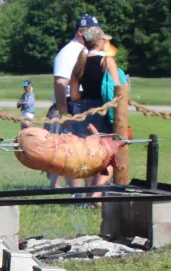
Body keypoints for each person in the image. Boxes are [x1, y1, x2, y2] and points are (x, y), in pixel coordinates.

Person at [47, 14, 98, 188]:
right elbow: (60, 84)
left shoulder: (85, 51)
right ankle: (76, 195)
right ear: (81, 31)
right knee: (74, 151)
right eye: (93, 30)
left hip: (81, 105)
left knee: (83, 150)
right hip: (70, 105)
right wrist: (64, 114)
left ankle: (82, 191)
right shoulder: (69, 52)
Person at [68, 26, 121, 189]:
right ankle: (97, 194)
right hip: (104, 111)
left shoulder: (79, 64)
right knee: (109, 154)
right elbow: (118, 89)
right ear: (99, 42)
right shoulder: (106, 61)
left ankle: (89, 191)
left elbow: (75, 95)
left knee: (89, 155)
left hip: (84, 111)